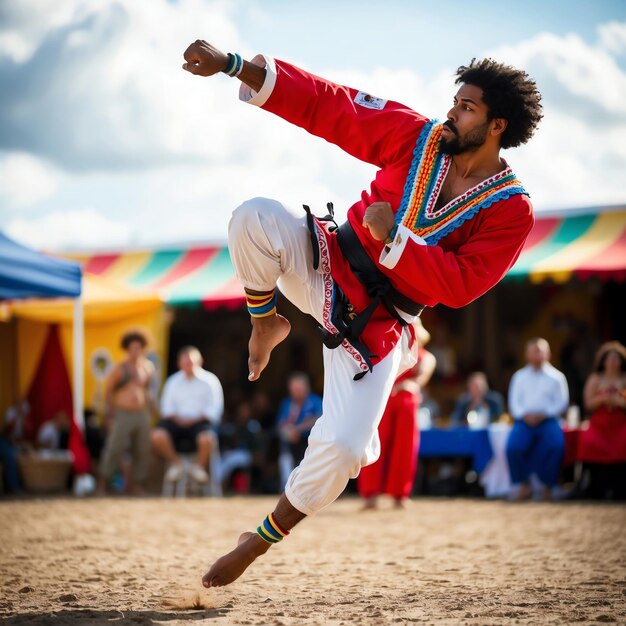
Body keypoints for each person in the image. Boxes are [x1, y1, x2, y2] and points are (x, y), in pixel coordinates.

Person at [181, 40, 542, 587]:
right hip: (327, 261)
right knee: (252, 218)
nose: (452, 112)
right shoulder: (419, 135)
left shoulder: (513, 209)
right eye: (456, 101)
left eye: (467, 107)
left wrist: (395, 238)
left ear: (497, 126)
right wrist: (234, 65)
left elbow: (462, 285)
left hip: (379, 324)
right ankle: (265, 322)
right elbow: (334, 106)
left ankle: (255, 543)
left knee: (346, 447)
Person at [358, 319, 436, 509]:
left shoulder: (426, 356)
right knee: (375, 443)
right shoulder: (390, 349)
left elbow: (419, 379)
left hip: (406, 401)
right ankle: (370, 494)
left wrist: (404, 385)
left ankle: (399, 494)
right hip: (384, 400)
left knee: (405, 446)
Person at [506, 338, 569, 501]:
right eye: (534, 351)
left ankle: (548, 486)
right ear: (527, 355)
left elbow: (562, 402)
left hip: (548, 420)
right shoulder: (519, 376)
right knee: (513, 447)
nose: (537, 355)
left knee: (556, 446)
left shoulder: (557, 377)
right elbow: (514, 403)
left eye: (540, 351)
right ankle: (523, 486)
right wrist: (525, 415)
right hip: (524, 421)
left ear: (548, 354)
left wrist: (544, 414)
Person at [152, 346, 224, 484]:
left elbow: (215, 410)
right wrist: (179, 420)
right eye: (185, 363)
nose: (188, 365)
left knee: (207, 439)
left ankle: (198, 468)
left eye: (191, 362)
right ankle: (177, 464)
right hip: (176, 423)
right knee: (157, 436)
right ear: (179, 363)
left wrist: (194, 420)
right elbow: (166, 409)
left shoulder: (210, 381)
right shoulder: (172, 381)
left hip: (200, 423)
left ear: (200, 361)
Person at [97, 330, 156, 495]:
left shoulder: (148, 368)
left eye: (138, 347)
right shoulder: (119, 369)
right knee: (114, 448)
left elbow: (148, 391)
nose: (135, 351)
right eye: (132, 348)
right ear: (127, 349)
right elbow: (108, 393)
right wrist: (109, 414)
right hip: (122, 413)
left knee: (143, 449)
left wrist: (152, 409)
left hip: (142, 413)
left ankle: (137, 484)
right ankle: (103, 482)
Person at [578, 341, 626, 500]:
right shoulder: (595, 379)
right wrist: (603, 399)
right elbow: (588, 404)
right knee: (588, 440)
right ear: (603, 361)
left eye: (616, 359)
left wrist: (618, 402)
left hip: (621, 423)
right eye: (609, 358)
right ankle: (592, 485)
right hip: (600, 423)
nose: (613, 362)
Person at [276, 372, 323, 491]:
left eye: (298, 389)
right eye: (293, 389)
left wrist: (298, 429)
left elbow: (320, 419)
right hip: (292, 442)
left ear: (306, 388)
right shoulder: (288, 403)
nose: (295, 392)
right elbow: (280, 423)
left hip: (311, 442)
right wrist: (288, 430)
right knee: (283, 444)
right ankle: (286, 487)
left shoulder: (316, 401)